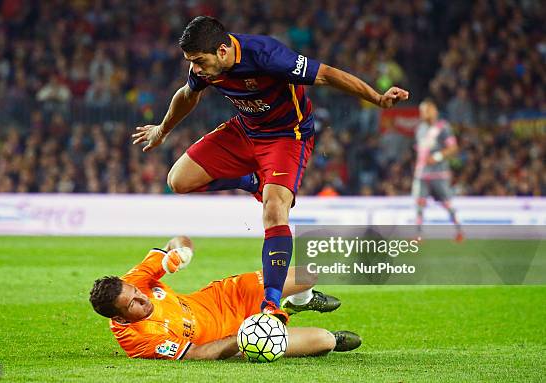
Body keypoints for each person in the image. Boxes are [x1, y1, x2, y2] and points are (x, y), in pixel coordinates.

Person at [131, 16, 409, 323]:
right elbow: (188, 95)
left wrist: (377, 98)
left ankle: (273, 303)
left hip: (287, 136)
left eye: (198, 61)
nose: (195, 68)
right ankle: (251, 180)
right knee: (178, 180)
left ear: (223, 51)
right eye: (191, 62)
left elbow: (327, 75)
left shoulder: (268, 56)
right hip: (245, 131)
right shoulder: (205, 67)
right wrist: (162, 129)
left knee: (275, 209)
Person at [89, 236, 361, 360]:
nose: (142, 298)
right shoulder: (138, 340)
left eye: (136, 293)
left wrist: (181, 252)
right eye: (133, 304)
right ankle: (308, 323)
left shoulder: (134, 280)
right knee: (325, 341)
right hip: (234, 340)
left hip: (226, 297)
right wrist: (246, 336)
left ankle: (296, 303)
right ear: (118, 317)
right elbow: (196, 353)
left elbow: (179, 239)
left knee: (308, 275)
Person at [412, 99, 463, 241]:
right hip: (422, 173)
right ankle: (418, 235)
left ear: (434, 111)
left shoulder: (443, 127)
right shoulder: (420, 129)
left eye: (426, 110)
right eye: (422, 111)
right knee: (419, 203)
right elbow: (420, 150)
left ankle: (459, 230)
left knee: (446, 203)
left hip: (439, 173)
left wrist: (438, 156)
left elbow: (453, 148)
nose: (423, 114)